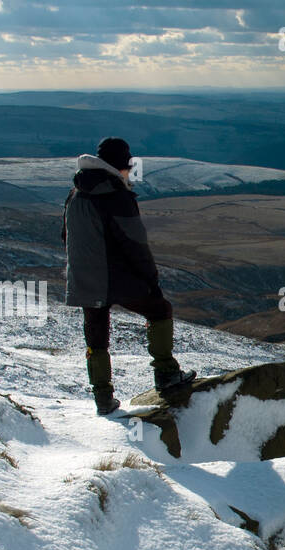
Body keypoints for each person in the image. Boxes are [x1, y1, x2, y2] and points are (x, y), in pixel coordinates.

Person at [62, 137, 195, 415]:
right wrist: (151, 280)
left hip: (83, 277)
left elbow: (66, 236)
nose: (129, 172)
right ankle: (167, 376)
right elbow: (135, 244)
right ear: (120, 167)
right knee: (159, 310)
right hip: (113, 277)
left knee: (96, 336)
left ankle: (103, 398)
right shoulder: (115, 195)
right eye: (128, 166)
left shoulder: (75, 192)